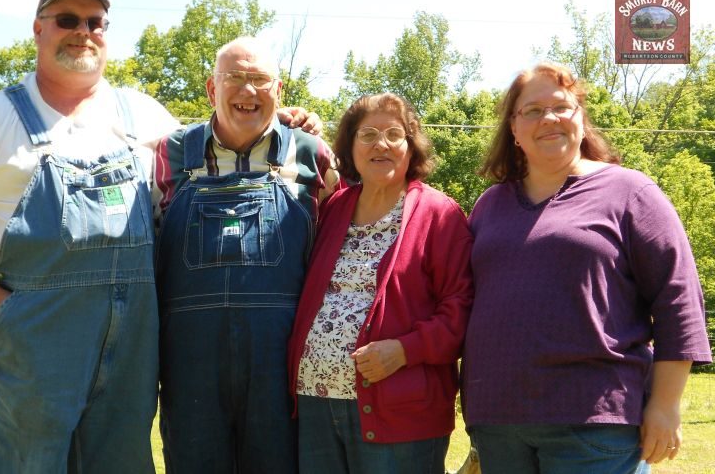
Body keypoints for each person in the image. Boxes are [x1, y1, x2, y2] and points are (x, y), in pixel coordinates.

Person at [0, 0, 320, 473]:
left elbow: (228, 133)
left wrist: (287, 123)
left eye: (95, 22)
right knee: (25, 462)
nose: (82, 31)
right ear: (38, 29)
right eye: (67, 19)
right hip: (36, 337)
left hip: (131, 343)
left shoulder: (144, 116)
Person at [461, 63, 712, 474]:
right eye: (533, 110)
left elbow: (678, 296)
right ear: (514, 128)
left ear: (580, 117)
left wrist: (665, 405)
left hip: (595, 421)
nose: (549, 119)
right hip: (496, 421)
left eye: (562, 106)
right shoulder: (490, 204)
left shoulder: (630, 191)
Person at [153, 36, 340, 473]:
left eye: (259, 79)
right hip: (189, 363)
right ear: (210, 89)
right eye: (234, 77)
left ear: (278, 90)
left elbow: (348, 237)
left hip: (281, 361)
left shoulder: (311, 153)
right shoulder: (170, 152)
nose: (247, 90)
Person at [287, 93, 475, 473]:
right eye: (367, 134)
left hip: (399, 412)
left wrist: (404, 350)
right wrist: (288, 122)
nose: (381, 144)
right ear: (350, 147)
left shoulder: (439, 214)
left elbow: (462, 308)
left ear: (412, 146)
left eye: (394, 134)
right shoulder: (334, 207)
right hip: (315, 404)